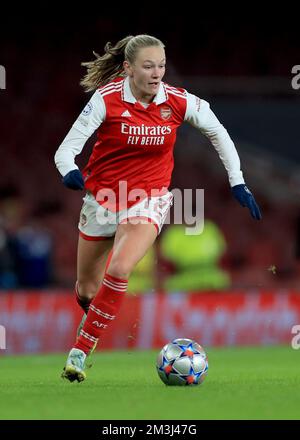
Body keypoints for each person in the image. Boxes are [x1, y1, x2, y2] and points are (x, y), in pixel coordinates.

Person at [54, 34, 262, 382]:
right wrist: (69, 171)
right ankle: (92, 315)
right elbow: (65, 150)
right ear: (128, 68)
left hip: (149, 198)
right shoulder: (106, 100)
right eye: (148, 66)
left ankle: (79, 352)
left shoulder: (178, 101)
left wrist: (237, 180)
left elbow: (218, 132)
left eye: (161, 66)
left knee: (119, 269)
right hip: (103, 200)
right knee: (87, 289)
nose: (156, 73)